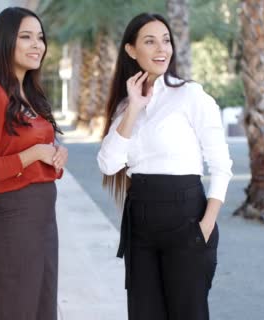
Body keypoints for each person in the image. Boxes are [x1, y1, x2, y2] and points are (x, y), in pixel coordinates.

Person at [97, 13, 233, 320]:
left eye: (166, 40)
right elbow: (108, 164)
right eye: (150, 41)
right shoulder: (126, 106)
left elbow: (221, 165)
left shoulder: (190, 95)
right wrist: (133, 108)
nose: (162, 49)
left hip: (187, 220)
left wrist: (206, 226)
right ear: (131, 50)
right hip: (141, 225)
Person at [0, 7, 67, 320]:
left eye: (40, 37)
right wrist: (34, 154)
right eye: (26, 37)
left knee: (42, 312)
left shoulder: (32, 95)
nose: (37, 44)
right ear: (6, 41)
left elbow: (39, 154)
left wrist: (55, 159)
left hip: (43, 224)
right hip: (13, 223)